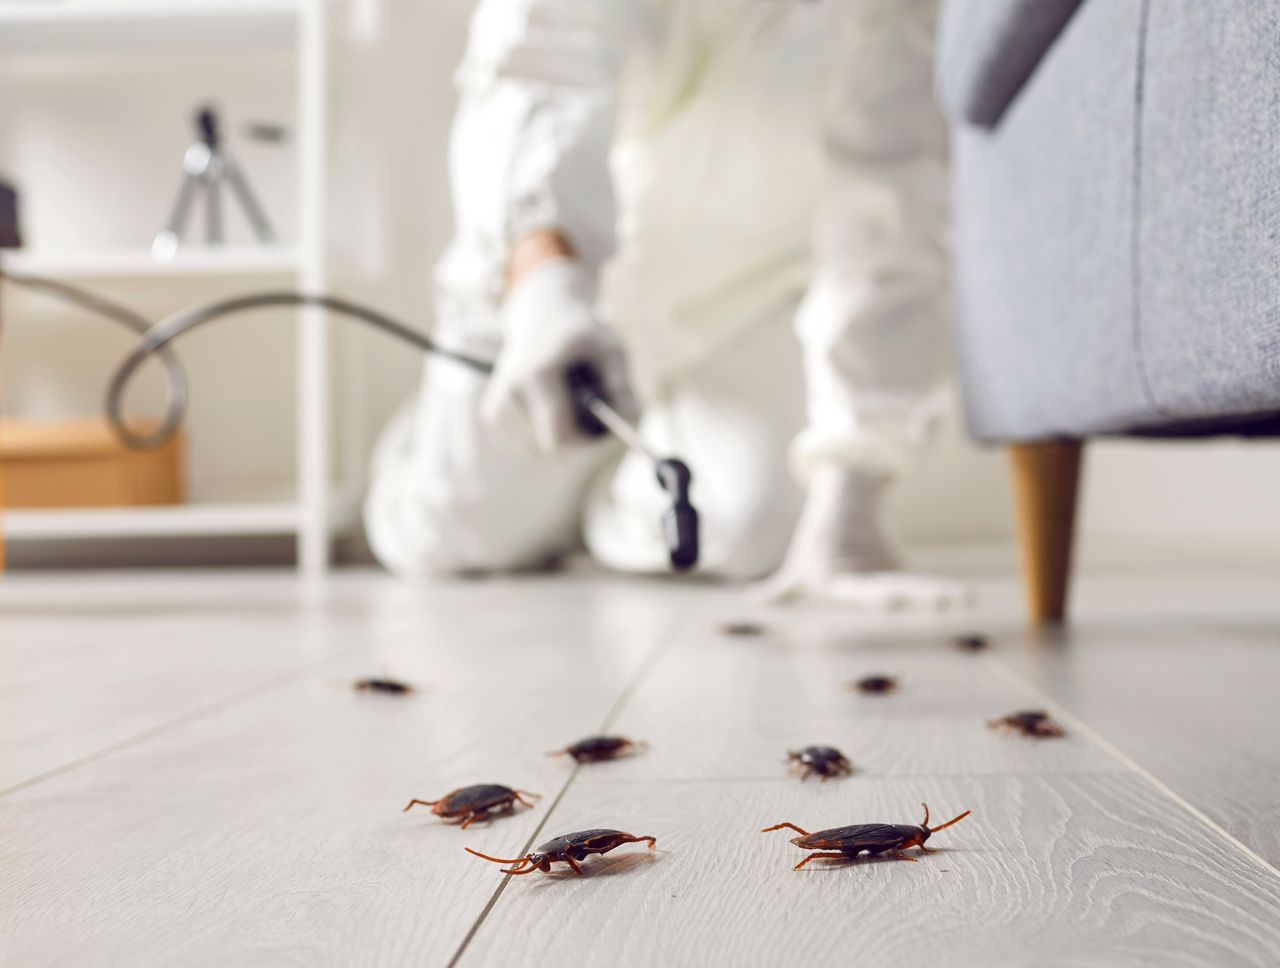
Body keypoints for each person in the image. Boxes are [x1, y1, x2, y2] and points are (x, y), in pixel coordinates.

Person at [366, 0, 967, 609]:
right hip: (554, 287)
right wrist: (543, 286)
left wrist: (855, 490)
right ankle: (470, 461)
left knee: (751, 530)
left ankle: (592, 504)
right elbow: (541, 66)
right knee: (450, 534)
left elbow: (888, 208)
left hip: (737, 305)